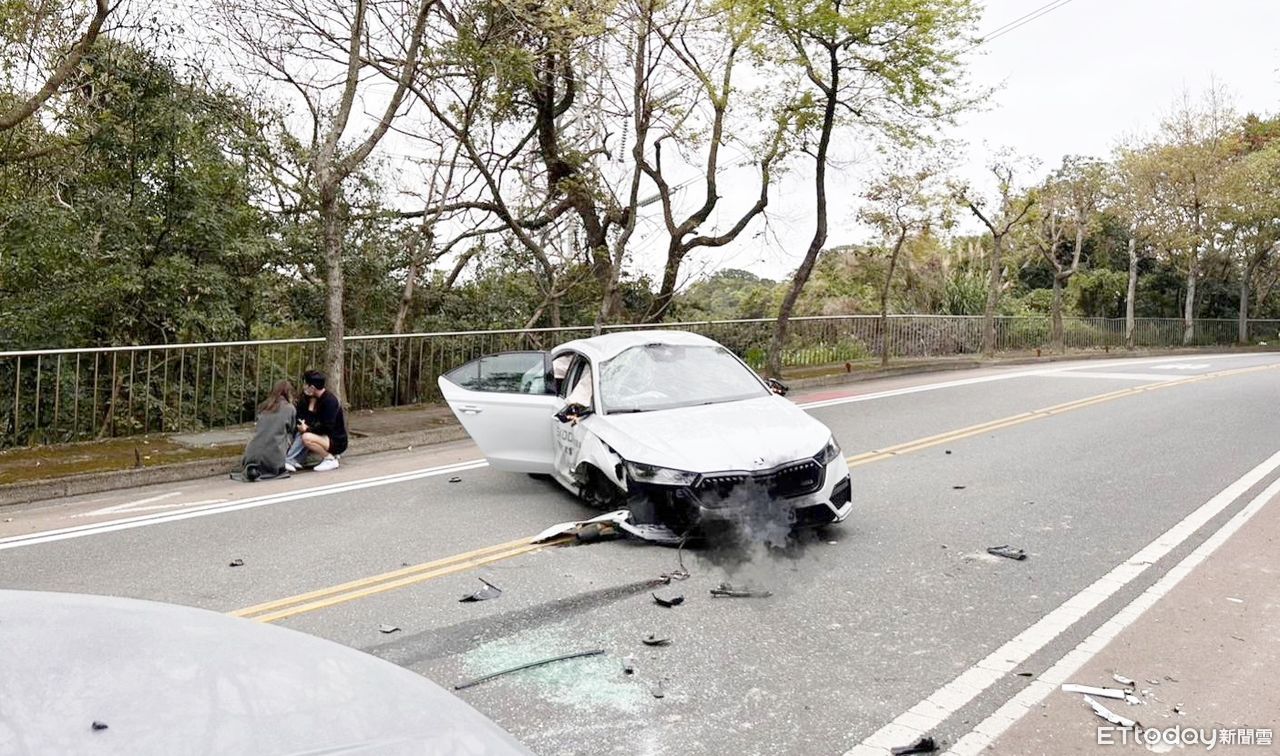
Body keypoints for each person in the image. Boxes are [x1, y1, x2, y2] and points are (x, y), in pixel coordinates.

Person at [286, 370, 348, 472]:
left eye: (305, 384)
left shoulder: (330, 401)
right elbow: (301, 418)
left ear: (312, 388)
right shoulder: (307, 398)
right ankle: (293, 460)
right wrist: (310, 409)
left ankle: (330, 459)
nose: (303, 386)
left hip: (334, 439)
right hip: (319, 435)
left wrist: (308, 429)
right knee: (300, 433)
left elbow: (327, 427)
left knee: (306, 437)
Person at [237, 380, 297, 481]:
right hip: (273, 458)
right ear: (288, 392)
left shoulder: (263, 406)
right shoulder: (290, 408)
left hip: (251, 455)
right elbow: (292, 430)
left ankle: (253, 469)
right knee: (287, 436)